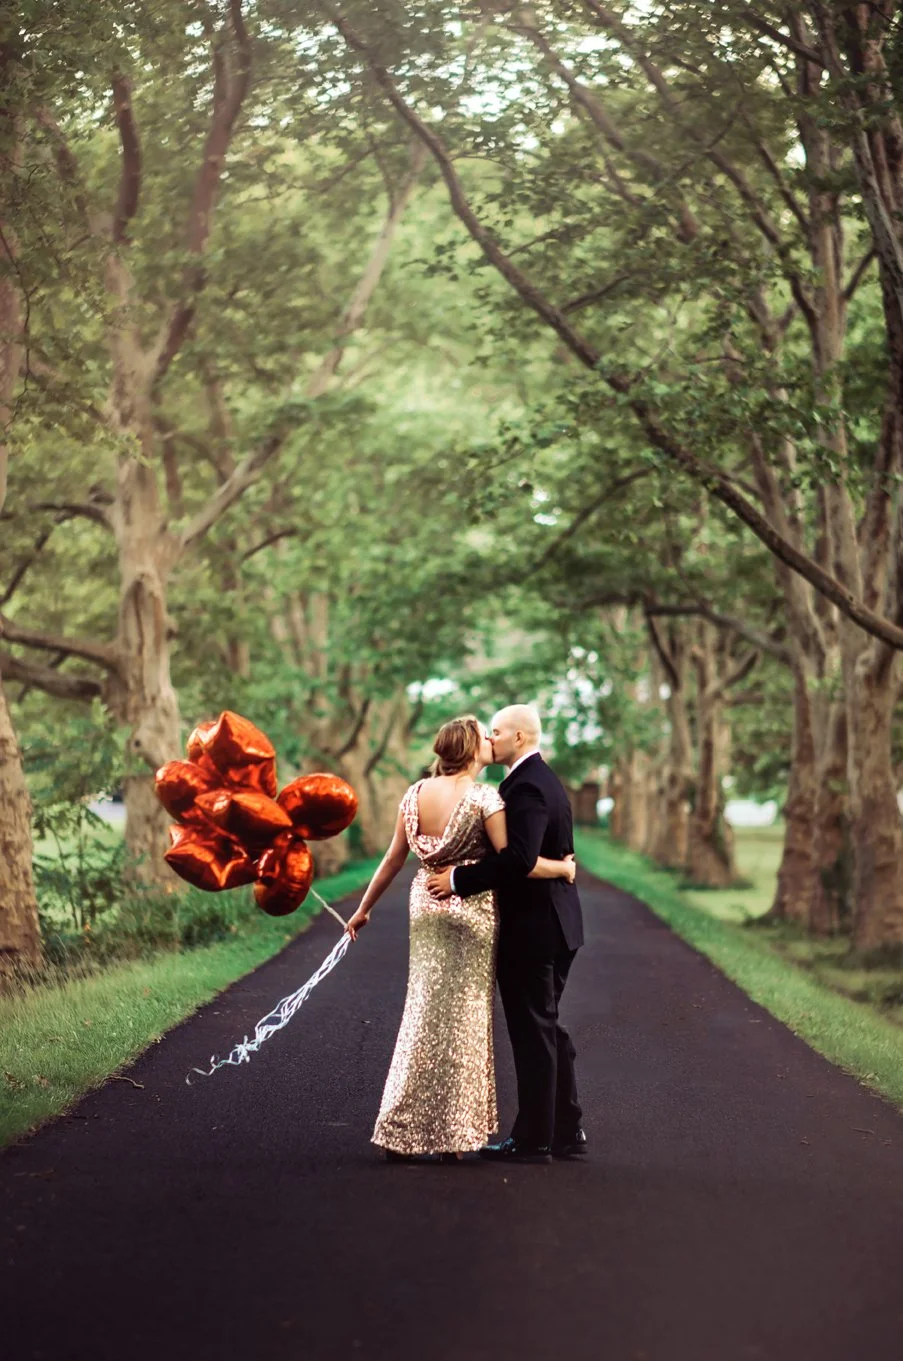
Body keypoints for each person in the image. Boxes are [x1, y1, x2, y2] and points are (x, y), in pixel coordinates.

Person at [344, 715, 576, 1162]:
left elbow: (393, 860)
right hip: (471, 914)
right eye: (483, 736)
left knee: (421, 1015)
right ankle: (454, 1135)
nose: (491, 740)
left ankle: (402, 1130)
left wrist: (363, 908)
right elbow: (519, 861)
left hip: (425, 912)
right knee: (465, 1023)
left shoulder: (413, 795)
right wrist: (563, 867)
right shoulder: (486, 798)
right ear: (471, 751)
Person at [426, 704, 585, 1164]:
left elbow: (518, 857)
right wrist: (560, 868)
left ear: (518, 738)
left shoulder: (529, 787)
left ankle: (534, 1139)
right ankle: (567, 1131)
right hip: (557, 923)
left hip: (536, 928)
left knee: (534, 1031)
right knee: (547, 1027)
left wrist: (457, 879)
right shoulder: (538, 780)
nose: (489, 740)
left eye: (495, 732)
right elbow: (552, 854)